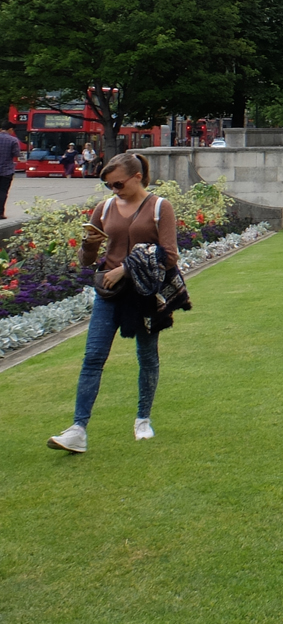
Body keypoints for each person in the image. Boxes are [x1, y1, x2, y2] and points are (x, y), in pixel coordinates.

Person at [48, 152, 177, 452]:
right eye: (108, 185)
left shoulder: (160, 207)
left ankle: (142, 419)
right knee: (93, 357)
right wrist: (88, 246)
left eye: (118, 184)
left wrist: (125, 268)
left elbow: (169, 255)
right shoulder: (104, 208)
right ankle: (78, 429)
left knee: (146, 357)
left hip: (144, 294)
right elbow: (86, 261)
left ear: (137, 177)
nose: (114, 190)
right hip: (108, 292)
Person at [0, 121, 21, 219]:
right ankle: (0, 213)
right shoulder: (13, 140)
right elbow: (16, 154)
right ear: (10, 129)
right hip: (6, 171)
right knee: (3, 192)